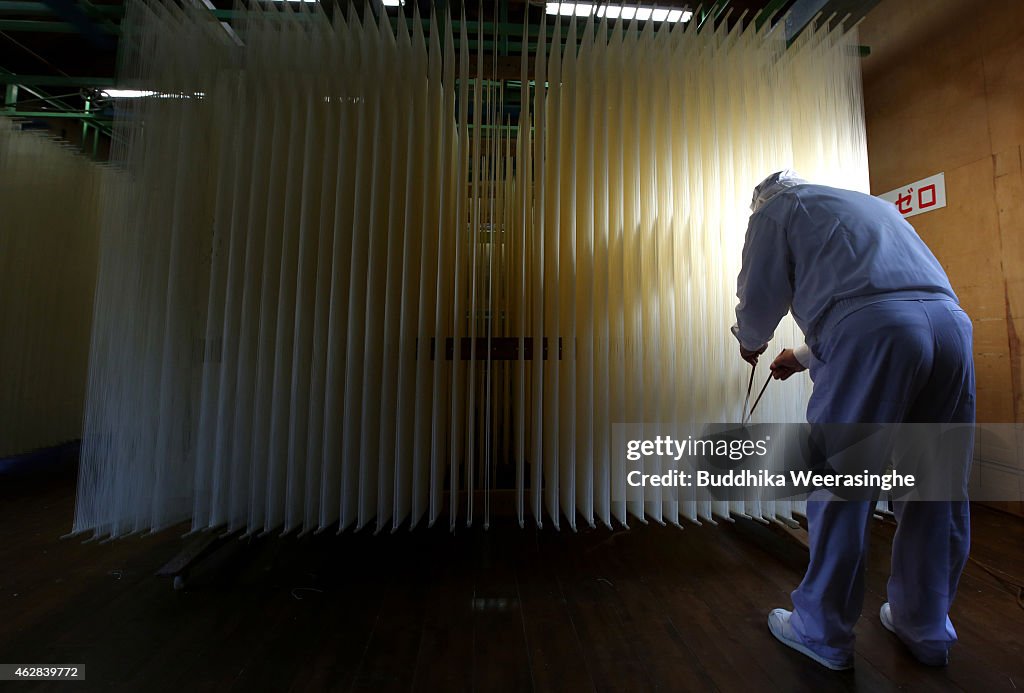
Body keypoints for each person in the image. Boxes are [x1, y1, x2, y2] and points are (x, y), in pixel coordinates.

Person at [732, 170, 975, 670]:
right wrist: (799, 357)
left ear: (759, 200)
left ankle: (820, 631)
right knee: (936, 486)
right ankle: (925, 625)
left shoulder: (774, 209)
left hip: (876, 334)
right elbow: (886, 296)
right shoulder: (872, 208)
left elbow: (760, 295)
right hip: (950, 327)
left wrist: (751, 340)